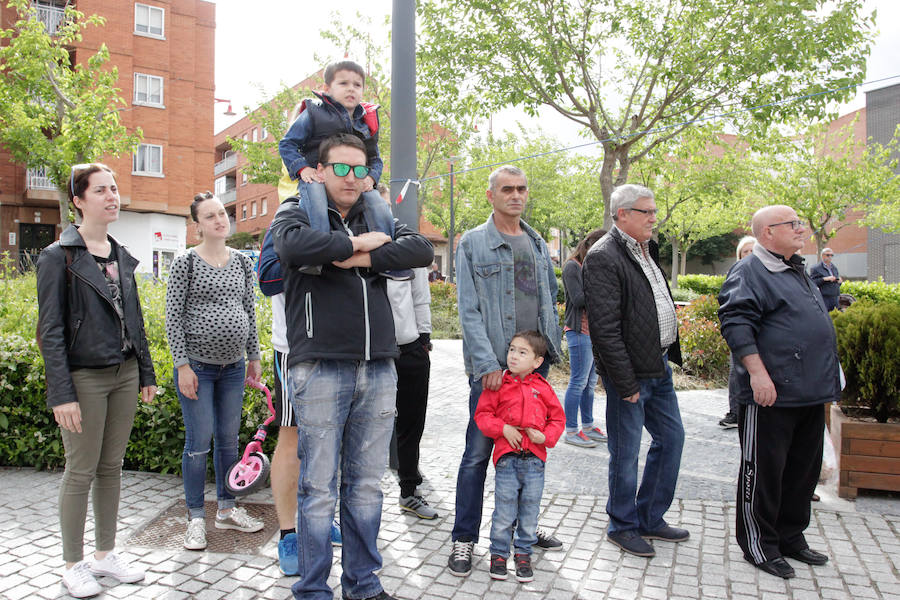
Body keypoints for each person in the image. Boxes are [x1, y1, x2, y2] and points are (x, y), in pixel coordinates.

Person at [270, 133, 433, 600]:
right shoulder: (294, 209)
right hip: (320, 364)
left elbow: (419, 249)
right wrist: (356, 243)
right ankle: (313, 589)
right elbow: (294, 249)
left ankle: (362, 585)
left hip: (379, 364)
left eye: (360, 170)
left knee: (365, 486)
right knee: (318, 487)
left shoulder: (380, 212)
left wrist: (356, 255)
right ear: (318, 171)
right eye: (340, 168)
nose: (351, 177)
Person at [36, 163, 157, 598]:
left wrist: (145, 371)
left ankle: (105, 556)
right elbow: (49, 330)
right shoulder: (59, 257)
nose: (113, 196)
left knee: (111, 467)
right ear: (78, 200)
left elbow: (135, 318)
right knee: (81, 469)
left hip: (124, 373)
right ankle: (73, 564)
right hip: (83, 377)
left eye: (115, 188)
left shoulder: (120, 253)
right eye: (101, 190)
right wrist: (61, 393)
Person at [448, 165, 563, 578]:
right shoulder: (474, 244)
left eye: (521, 188)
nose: (516, 195)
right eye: (507, 189)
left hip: (534, 371)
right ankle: (464, 538)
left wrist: (550, 350)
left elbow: (549, 298)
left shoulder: (535, 241)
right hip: (494, 371)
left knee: (528, 453)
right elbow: (469, 310)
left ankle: (522, 533)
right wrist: (486, 365)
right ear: (491, 195)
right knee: (478, 455)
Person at [718, 205, 838, 579]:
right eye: (793, 224)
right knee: (764, 472)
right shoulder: (750, 270)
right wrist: (758, 374)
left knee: (803, 472)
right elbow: (736, 323)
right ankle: (759, 545)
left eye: (800, 223)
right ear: (768, 232)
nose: (802, 229)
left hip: (808, 392)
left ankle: (790, 536)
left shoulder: (796, 267)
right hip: (771, 393)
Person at [582, 183, 687, 559]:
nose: (654, 218)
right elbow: (605, 329)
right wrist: (624, 383)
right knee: (626, 453)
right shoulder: (603, 256)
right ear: (622, 214)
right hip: (630, 374)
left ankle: (649, 517)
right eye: (647, 212)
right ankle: (622, 525)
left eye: (654, 211)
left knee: (671, 439)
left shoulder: (646, 250)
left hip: (657, 366)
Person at [165, 192, 264, 552]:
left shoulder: (240, 262)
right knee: (198, 443)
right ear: (198, 226)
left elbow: (249, 312)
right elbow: (173, 319)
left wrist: (253, 355)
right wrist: (182, 366)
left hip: (234, 368)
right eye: (210, 216)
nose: (219, 220)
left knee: (228, 440)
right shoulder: (185, 263)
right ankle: (195, 518)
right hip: (199, 369)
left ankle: (227, 507)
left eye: (222, 213)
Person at [257, 219, 342, 577]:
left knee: (333, 441)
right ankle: (288, 533)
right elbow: (269, 279)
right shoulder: (284, 223)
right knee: (291, 438)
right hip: (295, 350)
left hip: (343, 349)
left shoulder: (346, 219)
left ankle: (321, 520)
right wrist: (332, 256)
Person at [474, 331, 565, 583]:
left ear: (537, 362)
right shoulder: (499, 385)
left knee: (529, 511)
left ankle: (523, 554)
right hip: (507, 460)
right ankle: (499, 555)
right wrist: (503, 429)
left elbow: (558, 419)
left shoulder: (543, 388)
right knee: (504, 512)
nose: (513, 356)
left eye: (522, 352)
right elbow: (483, 415)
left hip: (535, 461)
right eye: (512, 349)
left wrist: (544, 437)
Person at [377, 185, 439, 520]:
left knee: (411, 423)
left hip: (410, 348)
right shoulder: (353, 246)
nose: (380, 209)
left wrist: (423, 340)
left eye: (384, 204)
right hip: (371, 354)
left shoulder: (406, 245)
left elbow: (420, 295)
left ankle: (409, 489)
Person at [561, 228, 607, 447]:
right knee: (578, 382)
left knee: (590, 383)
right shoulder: (572, 266)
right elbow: (578, 299)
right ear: (589, 246)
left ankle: (587, 425)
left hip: (594, 332)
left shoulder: (590, 267)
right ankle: (571, 430)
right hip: (579, 331)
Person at [719, 235, 757, 429]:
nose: (749, 255)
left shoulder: (764, 273)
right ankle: (735, 411)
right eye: (745, 252)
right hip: (742, 336)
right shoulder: (736, 273)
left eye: (752, 251)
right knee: (736, 372)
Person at [809, 247, 842, 312]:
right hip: (824, 297)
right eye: (828, 255)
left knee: (835, 316)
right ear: (822, 256)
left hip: (835, 297)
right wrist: (824, 279)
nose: (830, 257)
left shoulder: (834, 267)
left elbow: (836, 280)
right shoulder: (816, 268)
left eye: (831, 255)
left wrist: (839, 281)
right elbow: (812, 283)